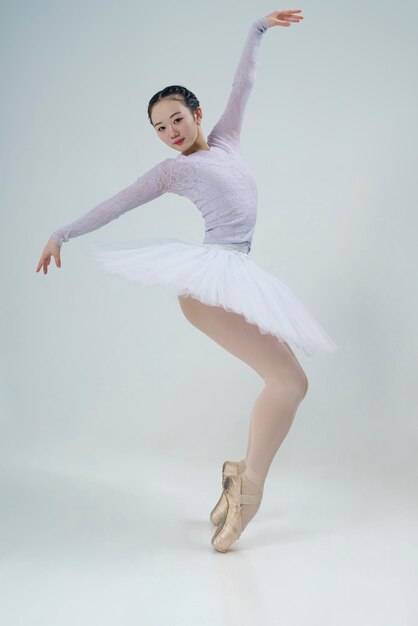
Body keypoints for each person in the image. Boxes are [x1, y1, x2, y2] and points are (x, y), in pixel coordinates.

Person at [36, 9, 337, 553]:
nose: (170, 133)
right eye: (159, 128)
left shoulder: (226, 142)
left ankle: (238, 475)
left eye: (176, 119)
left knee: (290, 382)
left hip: (234, 276)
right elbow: (119, 202)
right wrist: (63, 232)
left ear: (196, 114)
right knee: (289, 383)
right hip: (210, 283)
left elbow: (242, 84)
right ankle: (249, 491)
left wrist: (258, 28)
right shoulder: (173, 171)